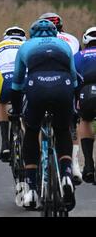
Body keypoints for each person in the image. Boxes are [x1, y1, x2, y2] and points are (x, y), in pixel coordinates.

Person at [11, 19, 77, 211]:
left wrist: (16, 112)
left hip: (37, 87)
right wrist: (73, 110)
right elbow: (74, 80)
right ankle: (66, 174)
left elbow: (16, 84)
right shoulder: (63, 45)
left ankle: (31, 189)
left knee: (31, 132)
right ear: (55, 32)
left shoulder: (25, 46)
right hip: (62, 86)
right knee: (63, 130)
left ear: (32, 34)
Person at [39, 12, 82, 184]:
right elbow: (76, 67)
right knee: (71, 125)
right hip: (66, 85)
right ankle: (75, 166)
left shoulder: (35, 42)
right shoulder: (71, 39)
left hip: (40, 85)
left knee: (37, 124)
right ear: (61, 26)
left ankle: (41, 164)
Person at [0, 26, 26, 162]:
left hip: (4, 78)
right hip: (25, 79)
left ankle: (5, 144)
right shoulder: (28, 46)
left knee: (0, 102)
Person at [74, 27, 96, 183]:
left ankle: (88, 165)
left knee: (85, 120)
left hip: (86, 93)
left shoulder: (78, 56)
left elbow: (73, 78)